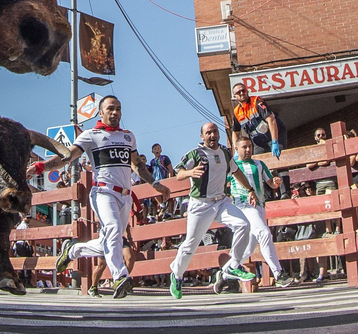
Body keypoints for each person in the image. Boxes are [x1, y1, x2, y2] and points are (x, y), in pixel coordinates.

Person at [44, 95, 170, 299]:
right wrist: (42, 166)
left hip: (125, 196)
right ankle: (120, 276)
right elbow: (67, 156)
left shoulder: (128, 137)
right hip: (103, 192)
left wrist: (155, 183)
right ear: (100, 112)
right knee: (112, 229)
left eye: (119, 109)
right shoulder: (91, 135)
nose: (115, 113)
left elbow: (137, 165)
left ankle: (72, 250)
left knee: (110, 240)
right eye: (110, 108)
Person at [167, 122, 260, 298]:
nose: (212, 136)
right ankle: (177, 274)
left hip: (221, 201)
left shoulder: (225, 153)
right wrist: (190, 173)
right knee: (190, 245)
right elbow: (177, 172)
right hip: (200, 205)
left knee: (243, 224)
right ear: (202, 137)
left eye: (215, 132)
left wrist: (250, 189)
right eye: (208, 133)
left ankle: (233, 265)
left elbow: (236, 172)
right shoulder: (195, 154)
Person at [228, 135, 295, 288]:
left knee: (248, 248)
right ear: (236, 149)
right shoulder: (232, 166)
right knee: (264, 234)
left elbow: (270, 182)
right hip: (243, 206)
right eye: (244, 147)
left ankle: (224, 273)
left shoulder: (259, 164)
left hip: (259, 207)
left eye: (249, 146)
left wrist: (275, 182)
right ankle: (278, 273)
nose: (248, 150)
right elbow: (222, 184)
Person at [229, 82, 284, 159]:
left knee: (279, 158)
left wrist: (275, 141)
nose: (242, 93)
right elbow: (235, 132)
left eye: (243, 90)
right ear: (235, 96)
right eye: (238, 92)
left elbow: (271, 120)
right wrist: (236, 150)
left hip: (274, 135)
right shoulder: (237, 112)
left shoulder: (257, 102)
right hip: (258, 140)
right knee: (258, 161)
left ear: (247, 91)